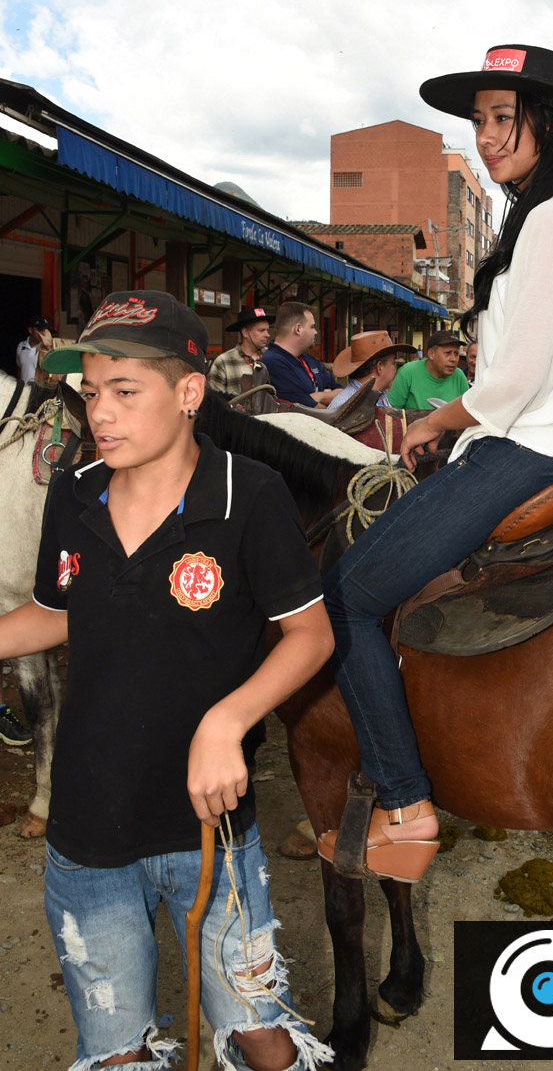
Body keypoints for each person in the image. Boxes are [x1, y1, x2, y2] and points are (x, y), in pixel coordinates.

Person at [317, 42, 553, 883]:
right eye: (479, 121)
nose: (488, 137)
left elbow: (517, 380)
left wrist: (434, 423)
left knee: (345, 597)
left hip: (530, 446)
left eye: (504, 118)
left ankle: (404, 799)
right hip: (551, 437)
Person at [2, 290, 333, 1071]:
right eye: (89, 394)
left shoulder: (249, 496)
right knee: (115, 1049)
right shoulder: (75, 493)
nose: (99, 415)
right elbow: (58, 610)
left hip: (209, 832)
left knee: (262, 1037)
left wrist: (228, 720)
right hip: (87, 837)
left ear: (189, 392)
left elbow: (309, 634)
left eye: (124, 391)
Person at [260, 303, 340, 407]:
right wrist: (330, 398)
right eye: (312, 327)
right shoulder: (273, 363)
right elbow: (308, 409)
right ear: (298, 329)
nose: (316, 332)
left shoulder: (309, 359)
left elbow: (343, 393)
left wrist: (321, 396)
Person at [328, 331, 416, 411]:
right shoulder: (345, 405)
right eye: (393, 363)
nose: (395, 370)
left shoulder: (380, 396)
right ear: (380, 367)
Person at [386, 330, 469, 409]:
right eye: (447, 353)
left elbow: (467, 413)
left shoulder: (459, 376)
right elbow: (391, 412)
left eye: (456, 353)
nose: (453, 359)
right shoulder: (408, 372)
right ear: (431, 353)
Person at [207, 304, 275, 399]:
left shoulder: (272, 357)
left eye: (267, 330)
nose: (267, 335)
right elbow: (213, 401)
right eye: (261, 330)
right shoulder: (224, 362)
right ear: (245, 333)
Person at [16, 314, 50, 382]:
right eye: (40, 330)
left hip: (40, 391)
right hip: (24, 391)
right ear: (30, 330)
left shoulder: (47, 349)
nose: (43, 333)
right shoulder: (21, 346)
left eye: (44, 330)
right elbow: (20, 369)